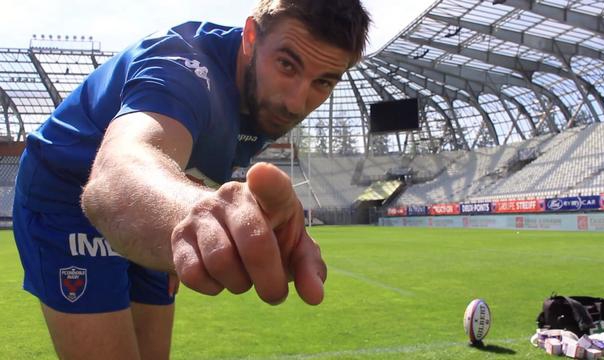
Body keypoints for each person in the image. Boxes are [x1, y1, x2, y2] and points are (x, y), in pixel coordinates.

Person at [12, 0, 370, 358]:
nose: (296, 102)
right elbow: (117, 175)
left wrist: (173, 221)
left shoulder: (264, 93)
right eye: (286, 64)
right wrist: (192, 213)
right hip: (65, 197)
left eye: (322, 82)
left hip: (158, 201)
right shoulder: (180, 65)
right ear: (250, 36)